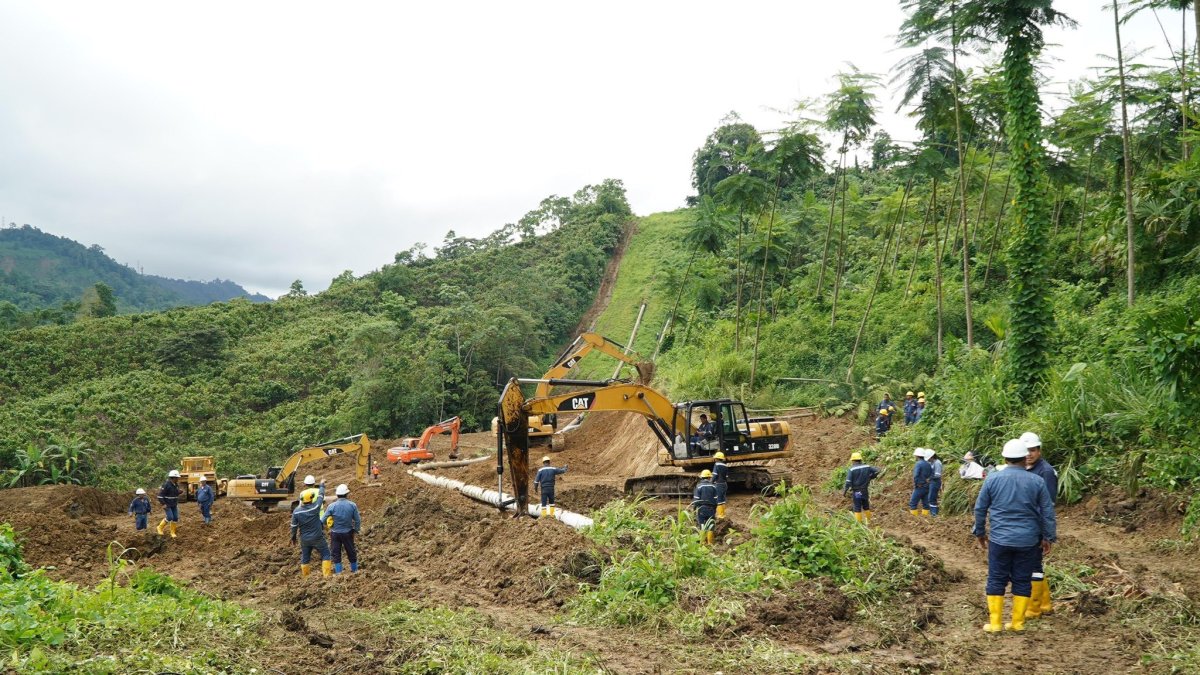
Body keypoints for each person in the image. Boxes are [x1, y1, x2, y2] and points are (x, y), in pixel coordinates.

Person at [972, 439, 1057, 633]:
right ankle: (1017, 623)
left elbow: (980, 508)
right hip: (1028, 541)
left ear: (1005, 458)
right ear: (1024, 459)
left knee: (996, 578)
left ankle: (995, 624)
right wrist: (1048, 537)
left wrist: (980, 532)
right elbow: (1047, 512)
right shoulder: (1037, 481)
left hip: (999, 539)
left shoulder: (992, 479)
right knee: (1022, 579)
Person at [1021, 431, 1058, 619]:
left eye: (1033, 450)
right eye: (1026, 450)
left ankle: (1034, 608)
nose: (1029, 454)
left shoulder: (1045, 471)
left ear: (1039, 450)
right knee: (1035, 564)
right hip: (1027, 524)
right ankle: (1045, 604)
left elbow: (1048, 505)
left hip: (1036, 525)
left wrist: (1047, 534)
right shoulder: (1024, 469)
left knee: (1033, 564)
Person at [291, 487, 332, 577]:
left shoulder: (296, 512)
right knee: (326, 554)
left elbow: (293, 526)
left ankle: (306, 578)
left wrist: (293, 538)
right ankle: (326, 576)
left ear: (302, 500)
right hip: (317, 537)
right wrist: (321, 485)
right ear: (312, 498)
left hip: (304, 539)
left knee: (305, 558)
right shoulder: (315, 507)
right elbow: (321, 496)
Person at [323, 484, 361, 574]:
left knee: (336, 553)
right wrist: (356, 530)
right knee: (351, 551)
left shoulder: (331, 506)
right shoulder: (352, 505)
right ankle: (355, 571)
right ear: (346, 494)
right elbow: (357, 520)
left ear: (337, 495)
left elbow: (323, 520)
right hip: (348, 533)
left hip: (335, 533)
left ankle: (339, 573)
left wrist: (329, 524)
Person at [843, 451, 883, 524]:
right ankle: (869, 522)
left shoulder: (851, 469)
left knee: (857, 507)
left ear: (853, 460)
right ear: (860, 459)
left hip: (857, 491)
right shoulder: (867, 467)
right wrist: (871, 477)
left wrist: (845, 491)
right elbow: (878, 471)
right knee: (866, 506)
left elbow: (848, 482)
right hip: (865, 490)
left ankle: (859, 524)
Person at [691, 469, 718, 545]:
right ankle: (710, 543)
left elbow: (696, 501)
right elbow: (716, 500)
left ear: (702, 477)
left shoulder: (699, 487)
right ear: (709, 478)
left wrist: (694, 509)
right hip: (711, 509)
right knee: (711, 526)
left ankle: (702, 543)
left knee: (702, 525)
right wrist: (714, 509)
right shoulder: (713, 486)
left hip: (701, 509)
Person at [156, 470, 182, 538]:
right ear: (173, 478)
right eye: (177, 478)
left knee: (175, 518)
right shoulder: (166, 485)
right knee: (170, 517)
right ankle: (159, 527)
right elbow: (160, 496)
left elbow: (174, 493)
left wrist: (179, 492)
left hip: (174, 504)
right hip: (167, 504)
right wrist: (163, 504)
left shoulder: (176, 485)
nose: (178, 479)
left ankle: (172, 532)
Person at [909, 448, 932, 516]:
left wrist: (916, 484)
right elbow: (930, 474)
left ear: (917, 456)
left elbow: (916, 475)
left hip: (920, 486)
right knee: (926, 503)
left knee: (913, 503)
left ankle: (913, 518)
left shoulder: (918, 464)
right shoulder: (928, 464)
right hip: (927, 486)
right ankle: (925, 517)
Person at [925, 449, 943, 517]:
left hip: (935, 482)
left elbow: (937, 475)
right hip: (932, 481)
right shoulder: (931, 462)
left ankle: (934, 513)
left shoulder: (937, 463)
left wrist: (929, 478)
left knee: (932, 497)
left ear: (932, 457)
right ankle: (932, 512)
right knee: (930, 497)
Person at [711, 452, 729, 519]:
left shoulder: (716, 465)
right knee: (723, 499)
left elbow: (715, 475)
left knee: (718, 500)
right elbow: (726, 477)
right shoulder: (725, 465)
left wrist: (711, 482)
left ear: (717, 458)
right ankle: (723, 514)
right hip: (724, 484)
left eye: (715, 458)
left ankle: (720, 515)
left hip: (718, 484)